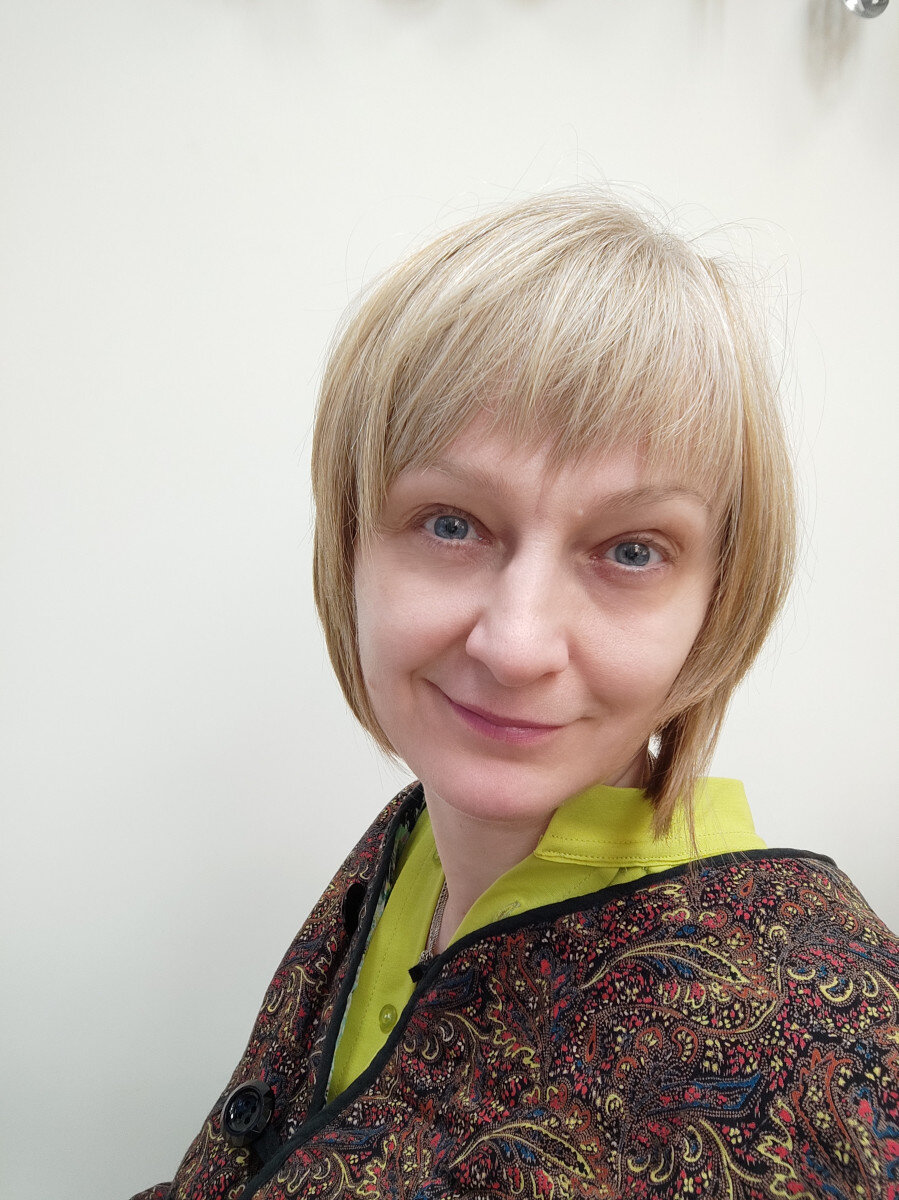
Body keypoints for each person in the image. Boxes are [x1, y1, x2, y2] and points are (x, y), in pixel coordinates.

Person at [132, 192, 899, 1200]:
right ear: (350, 547)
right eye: (451, 524)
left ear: (718, 601)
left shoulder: (826, 1060)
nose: (516, 645)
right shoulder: (410, 847)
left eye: (631, 550)